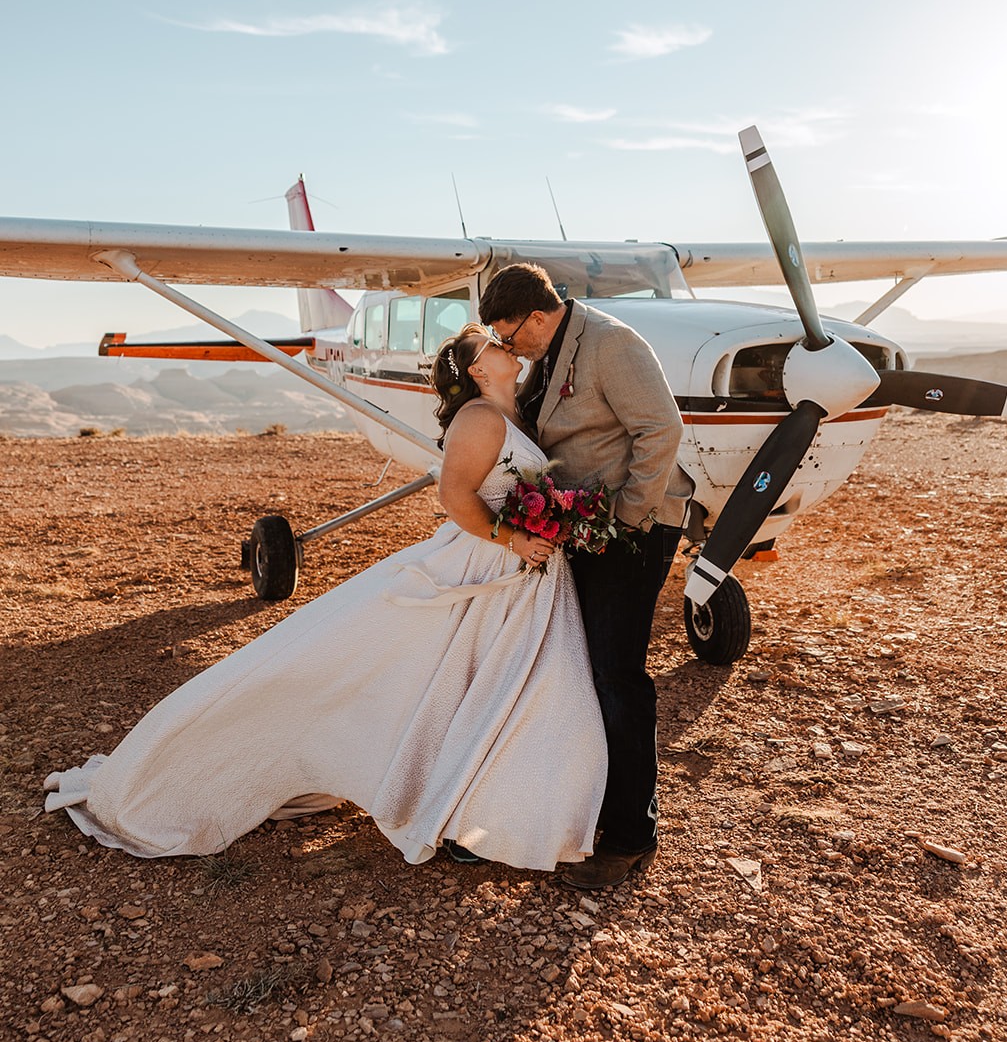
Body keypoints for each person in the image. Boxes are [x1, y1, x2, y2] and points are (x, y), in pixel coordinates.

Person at [44, 325, 608, 872]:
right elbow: (453, 494)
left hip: (525, 571)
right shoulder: (480, 418)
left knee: (484, 681)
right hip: (490, 561)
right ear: (478, 369)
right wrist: (512, 537)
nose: (506, 346)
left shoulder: (514, 413)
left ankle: (484, 800)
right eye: (492, 344)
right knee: (421, 670)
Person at [479, 263, 690, 890]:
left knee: (616, 675)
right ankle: (595, 807)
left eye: (511, 335)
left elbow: (662, 431)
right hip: (587, 528)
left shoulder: (612, 344)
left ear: (539, 317)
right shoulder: (547, 349)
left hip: (633, 527)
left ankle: (631, 834)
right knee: (586, 668)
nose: (508, 348)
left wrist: (625, 520)